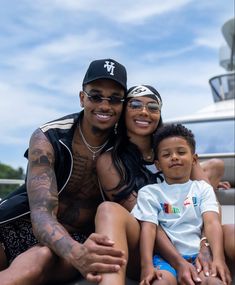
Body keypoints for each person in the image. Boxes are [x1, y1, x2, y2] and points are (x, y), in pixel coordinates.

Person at [0, 58, 128, 285]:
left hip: (78, 238)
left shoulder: (126, 146)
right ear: (82, 98)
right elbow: (41, 214)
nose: (105, 106)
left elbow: (173, 155)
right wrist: (76, 253)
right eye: (95, 96)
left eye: (115, 99)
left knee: (41, 257)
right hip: (24, 225)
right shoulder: (49, 136)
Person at [95, 85, 234, 285]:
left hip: (194, 241)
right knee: (108, 210)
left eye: (153, 107)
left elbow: (211, 208)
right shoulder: (111, 160)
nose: (144, 112)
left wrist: (205, 245)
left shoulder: (175, 148)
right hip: (150, 249)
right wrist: (178, 262)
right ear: (124, 111)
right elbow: (148, 224)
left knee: (231, 230)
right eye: (135, 105)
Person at [132, 123, 231, 285]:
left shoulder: (202, 188)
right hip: (164, 259)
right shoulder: (150, 192)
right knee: (160, 283)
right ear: (158, 164)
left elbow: (212, 222)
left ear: (194, 159)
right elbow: (148, 228)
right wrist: (147, 266)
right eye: (166, 154)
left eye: (181, 152)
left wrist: (218, 259)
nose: (174, 157)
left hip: (200, 256)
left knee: (214, 282)